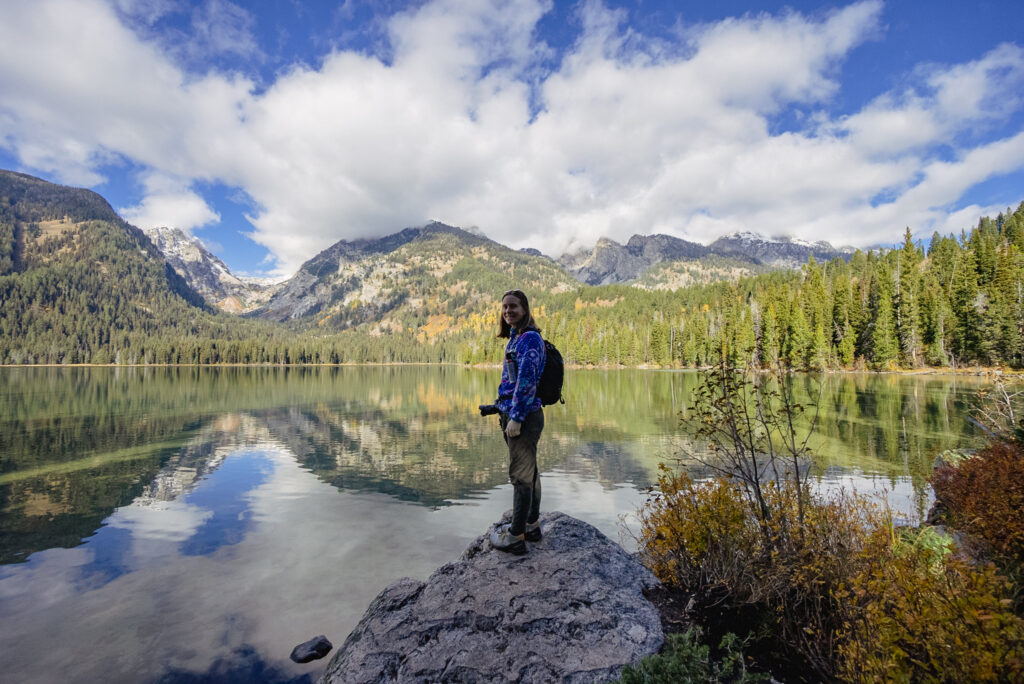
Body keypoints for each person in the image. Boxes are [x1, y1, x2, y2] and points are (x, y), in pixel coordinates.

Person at [488, 289, 546, 555]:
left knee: (520, 476)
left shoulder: (530, 339)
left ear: (525, 309)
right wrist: (497, 406)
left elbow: (526, 381)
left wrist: (516, 417)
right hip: (513, 411)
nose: (508, 311)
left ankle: (515, 536)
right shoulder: (516, 338)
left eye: (513, 306)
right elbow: (513, 382)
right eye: (504, 307)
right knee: (529, 472)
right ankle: (531, 525)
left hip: (523, 416)